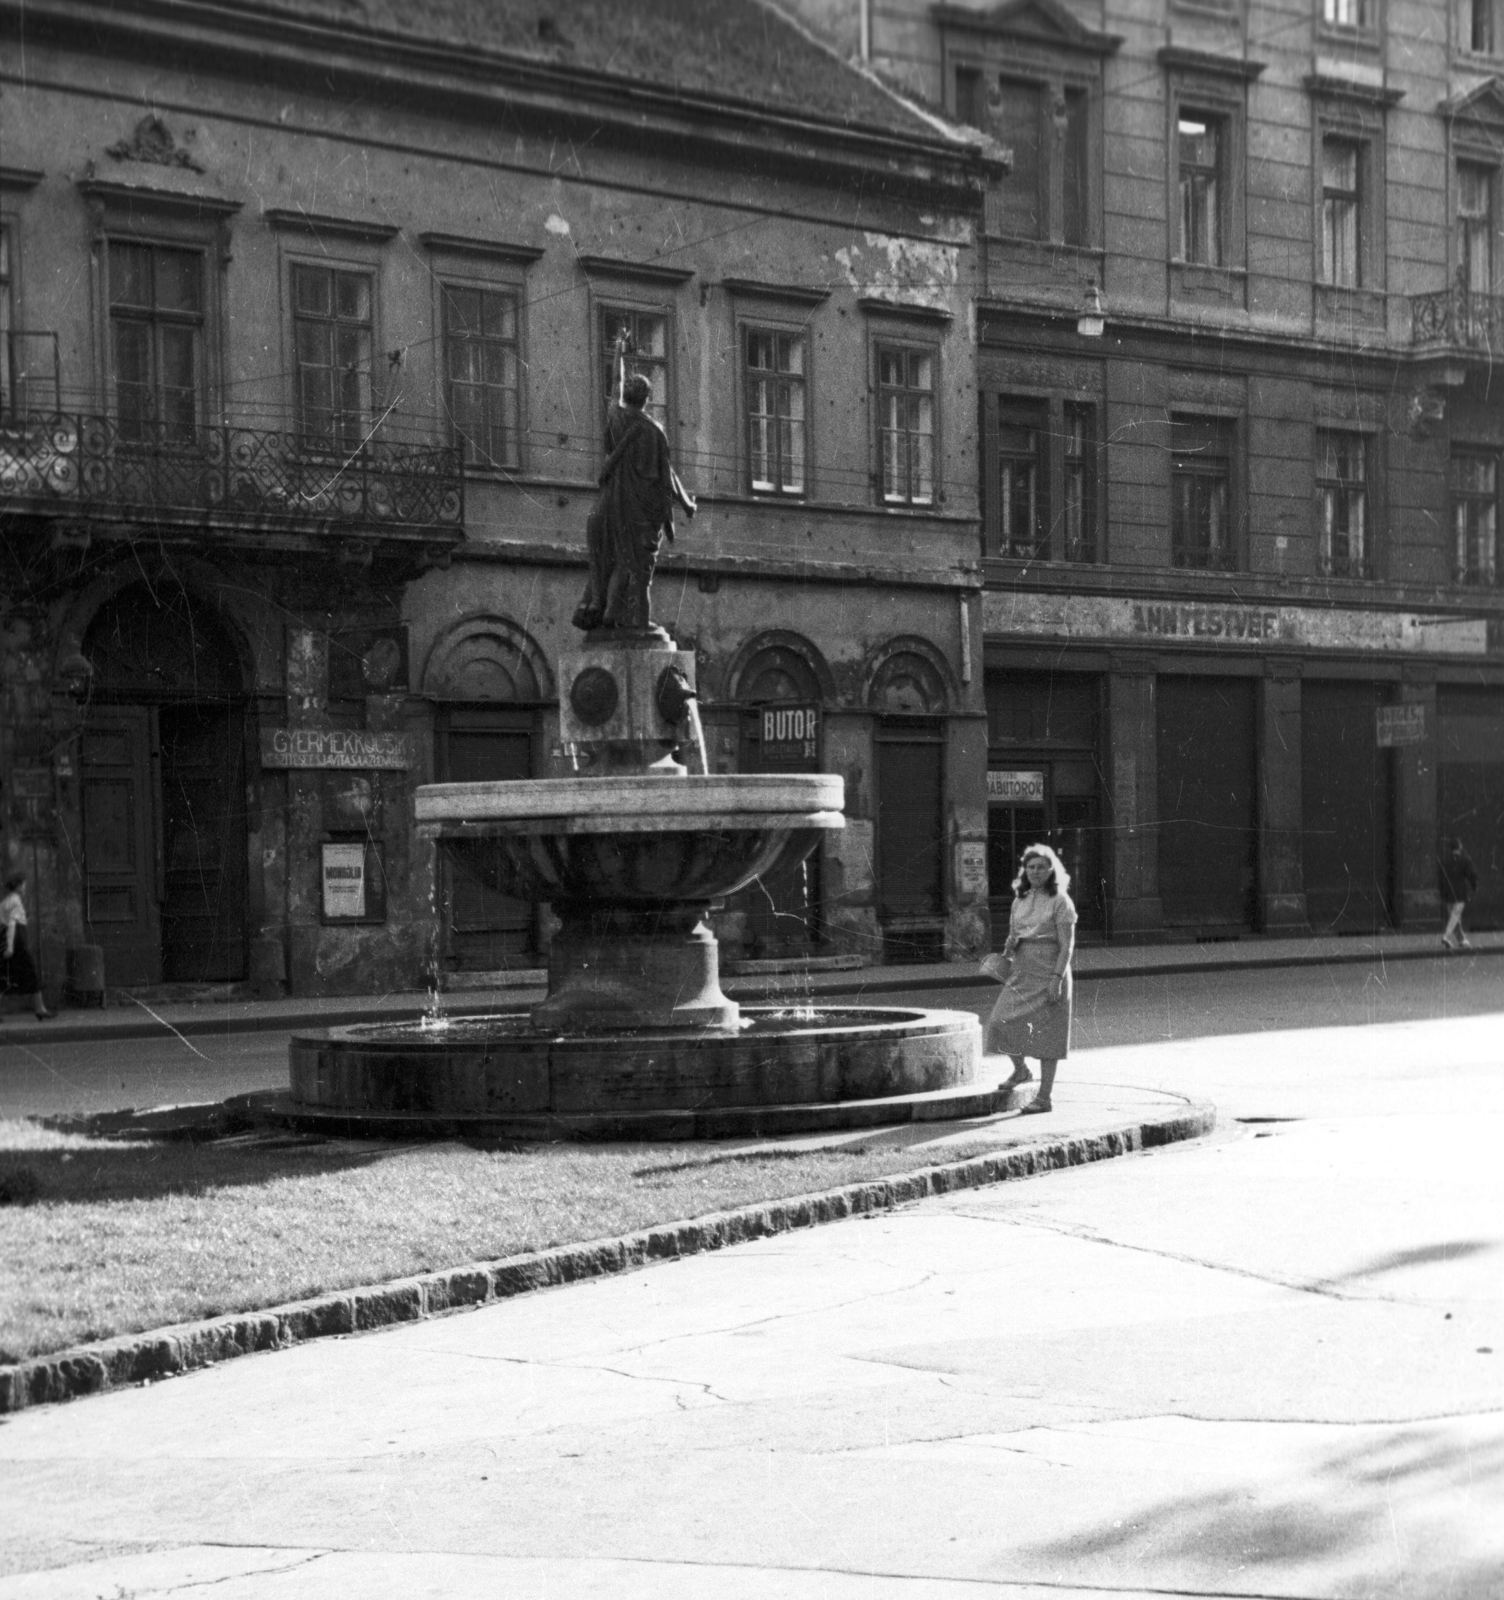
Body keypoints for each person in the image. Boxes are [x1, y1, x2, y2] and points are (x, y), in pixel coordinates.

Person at [572, 332, 696, 634]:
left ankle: (601, 607)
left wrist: (619, 349)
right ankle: (622, 617)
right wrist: (684, 504)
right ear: (647, 399)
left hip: (609, 504)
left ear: (625, 396)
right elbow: (666, 474)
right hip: (637, 511)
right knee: (632, 566)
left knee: (609, 558)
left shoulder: (615, 415)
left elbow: (615, 380)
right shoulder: (655, 431)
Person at [981, 843, 1076, 1115]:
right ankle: (1021, 1070)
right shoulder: (1018, 900)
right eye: (1031, 867)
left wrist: (1056, 978)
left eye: (1041, 867)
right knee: (998, 1022)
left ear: (1051, 870)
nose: (1035, 871)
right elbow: (1013, 937)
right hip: (1022, 971)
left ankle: (1044, 1098)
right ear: (1025, 870)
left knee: (1048, 1038)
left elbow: (1067, 945)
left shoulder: (1061, 901)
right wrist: (1010, 945)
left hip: (1050, 972)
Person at [1, 872, 54, 1020]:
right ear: (18, 886)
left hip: (5, 939)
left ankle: (40, 1008)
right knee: (31, 972)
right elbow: (12, 924)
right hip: (16, 942)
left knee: (4, 975)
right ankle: (40, 1009)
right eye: (23, 884)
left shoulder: (5, 902)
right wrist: (10, 947)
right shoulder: (15, 901)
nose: (24, 887)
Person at [1439, 836, 1479, 951]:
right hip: (1460, 892)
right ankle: (1446, 936)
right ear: (1459, 847)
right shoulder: (1464, 860)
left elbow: (1441, 878)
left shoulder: (1444, 861)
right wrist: (1474, 886)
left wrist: (1442, 892)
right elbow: (1472, 874)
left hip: (1448, 892)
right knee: (1456, 915)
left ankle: (1461, 940)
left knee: (1455, 917)